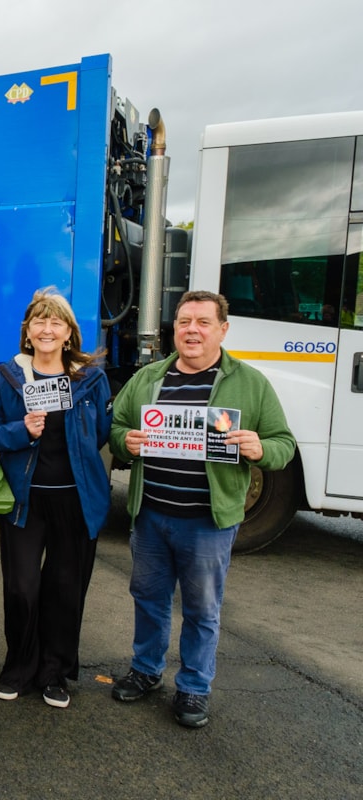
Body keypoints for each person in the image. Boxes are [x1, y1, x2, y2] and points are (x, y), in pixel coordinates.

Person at [109, 290, 295, 728]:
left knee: (202, 609)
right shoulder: (150, 377)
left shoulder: (250, 383)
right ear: (175, 328)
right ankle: (147, 670)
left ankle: (193, 687)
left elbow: (283, 445)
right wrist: (126, 441)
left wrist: (259, 447)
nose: (191, 330)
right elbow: (117, 424)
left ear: (222, 330)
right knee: (149, 600)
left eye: (203, 322)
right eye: (184, 321)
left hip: (208, 523)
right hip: (152, 515)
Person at [0, 287, 111, 710]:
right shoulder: (10, 376)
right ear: (27, 332)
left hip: (76, 501)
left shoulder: (91, 379)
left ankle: (54, 673)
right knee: (22, 588)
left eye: (56, 322)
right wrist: (23, 431)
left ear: (69, 333)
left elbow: (102, 434)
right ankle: (18, 666)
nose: (47, 329)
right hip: (26, 501)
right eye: (39, 321)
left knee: (65, 589)